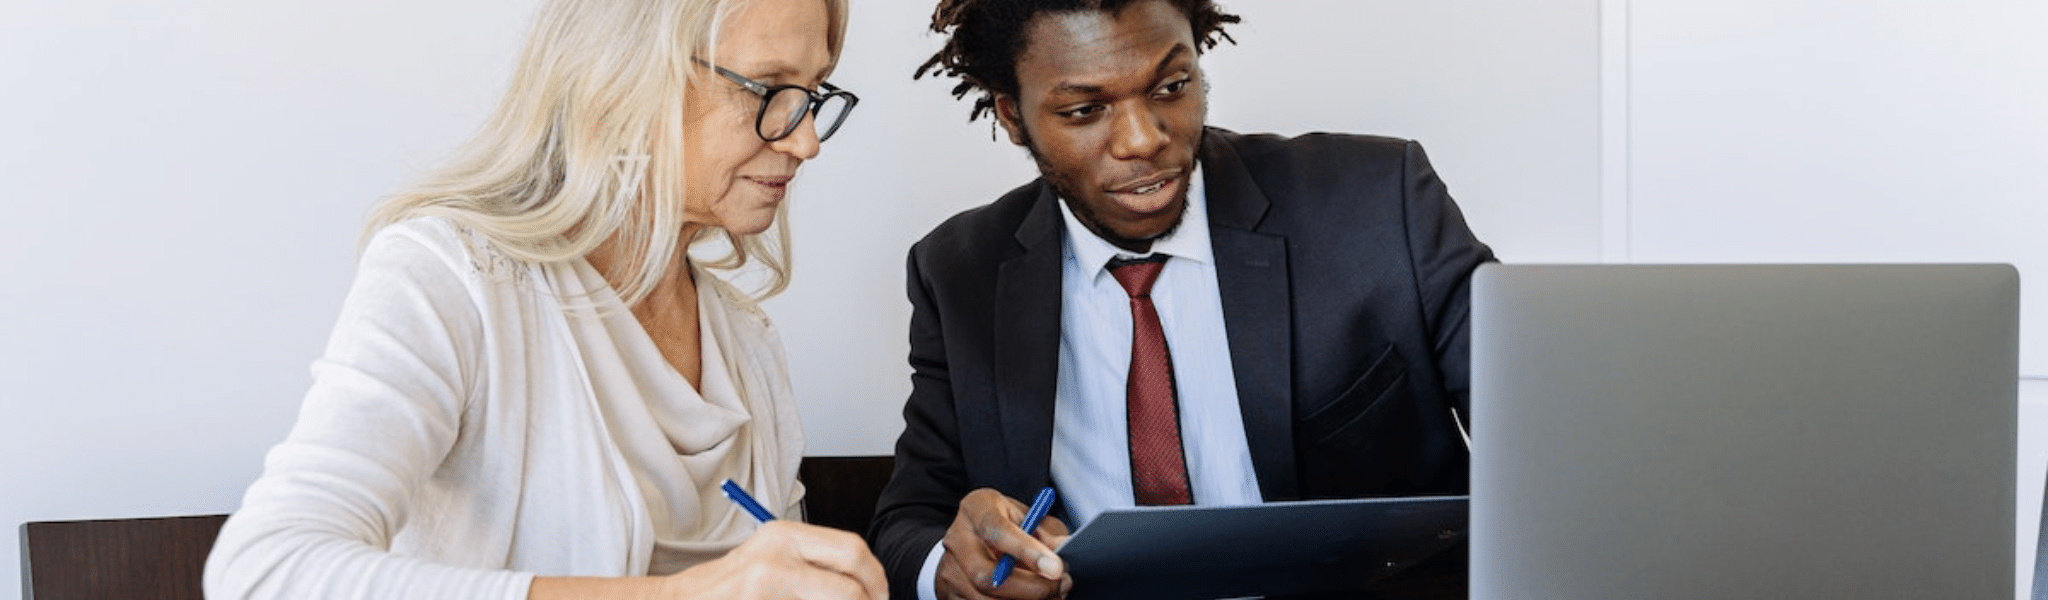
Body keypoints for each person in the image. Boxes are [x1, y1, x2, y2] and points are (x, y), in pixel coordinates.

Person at [202, 0, 887, 599]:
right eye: (768, 87)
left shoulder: (748, 342)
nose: (803, 141)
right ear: (624, 76)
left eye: (813, 93)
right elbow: (264, 570)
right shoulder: (452, 279)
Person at [868, 0, 1497, 598]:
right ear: (1012, 116)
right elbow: (909, 524)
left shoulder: (1379, 204)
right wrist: (953, 569)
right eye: (1085, 111)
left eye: (1170, 87)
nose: (1143, 140)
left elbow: (1542, 439)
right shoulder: (959, 271)